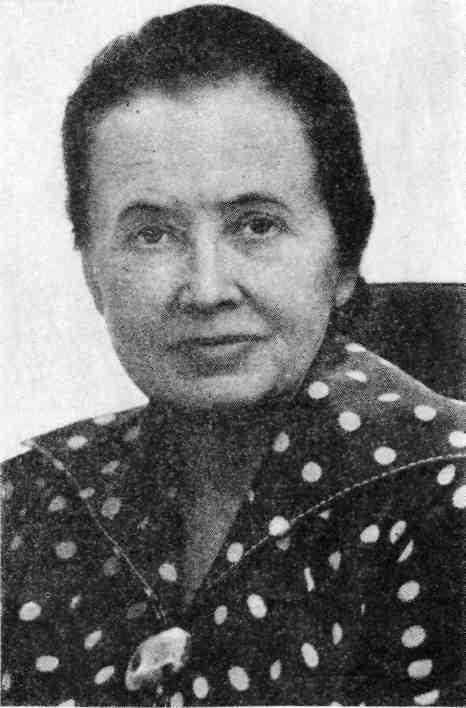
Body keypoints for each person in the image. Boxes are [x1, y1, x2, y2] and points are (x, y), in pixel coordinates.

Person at [1, 4, 464, 706]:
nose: (207, 289)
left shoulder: (446, 501)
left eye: (257, 225)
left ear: (343, 258)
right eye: (152, 235)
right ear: (92, 270)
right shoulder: (30, 506)